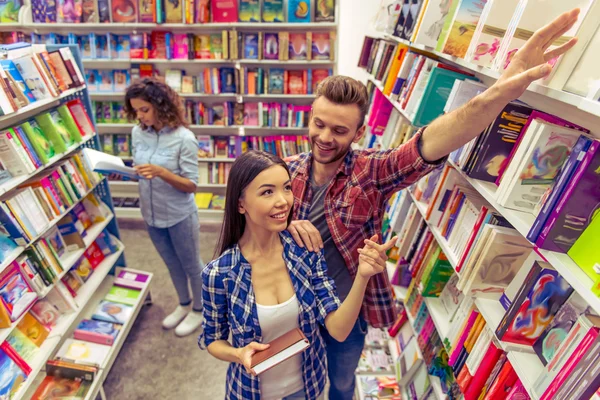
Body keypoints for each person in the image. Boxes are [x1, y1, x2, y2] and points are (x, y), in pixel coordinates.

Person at [285, 9, 581, 399]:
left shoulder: (371, 172)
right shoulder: (286, 173)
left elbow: (431, 142)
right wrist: (285, 226)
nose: (324, 137)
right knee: (292, 386)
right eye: (318, 124)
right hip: (290, 309)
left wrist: (502, 89)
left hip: (345, 314)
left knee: (340, 384)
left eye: (339, 130)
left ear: (359, 132)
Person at [198, 151, 395, 400]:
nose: (283, 201)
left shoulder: (306, 253)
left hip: (307, 387)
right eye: (267, 192)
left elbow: (338, 330)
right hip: (249, 392)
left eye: (287, 188)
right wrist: (238, 354)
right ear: (240, 204)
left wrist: (363, 276)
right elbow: (213, 340)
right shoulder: (219, 274)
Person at [124, 77, 204, 337]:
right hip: (151, 213)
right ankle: (183, 304)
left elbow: (191, 185)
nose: (140, 115)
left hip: (179, 214)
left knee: (191, 264)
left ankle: (200, 310)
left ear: (161, 105)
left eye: (145, 109)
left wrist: (161, 172)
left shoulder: (185, 139)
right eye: (136, 110)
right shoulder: (137, 133)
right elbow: (141, 169)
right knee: (171, 263)